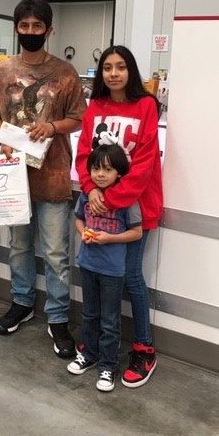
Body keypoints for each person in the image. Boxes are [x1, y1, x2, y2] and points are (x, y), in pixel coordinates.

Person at [0, 0, 86, 358]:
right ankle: (22, 302)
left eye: (37, 26)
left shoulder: (65, 73)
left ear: (49, 29)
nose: (30, 32)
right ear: (16, 28)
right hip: (14, 176)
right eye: (24, 26)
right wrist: (5, 141)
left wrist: (53, 126)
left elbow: (78, 118)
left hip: (54, 176)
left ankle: (58, 318)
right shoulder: (2, 71)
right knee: (19, 246)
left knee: (57, 254)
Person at [75, 45, 163, 388]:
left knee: (130, 278)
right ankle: (96, 345)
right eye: (108, 67)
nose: (114, 73)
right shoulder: (94, 107)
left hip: (133, 206)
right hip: (97, 205)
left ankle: (144, 348)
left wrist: (108, 198)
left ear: (131, 71)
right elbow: (84, 153)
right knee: (96, 277)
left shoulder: (145, 106)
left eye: (121, 67)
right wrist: (90, 188)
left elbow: (142, 166)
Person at [68, 143, 142, 392]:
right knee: (89, 314)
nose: (100, 174)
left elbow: (136, 232)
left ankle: (108, 365)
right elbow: (78, 218)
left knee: (110, 320)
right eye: (96, 168)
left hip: (112, 270)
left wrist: (109, 238)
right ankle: (89, 354)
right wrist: (83, 233)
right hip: (87, 263)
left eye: (107, 169)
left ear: (119, 173)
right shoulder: (87, 196)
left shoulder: (125, 200)